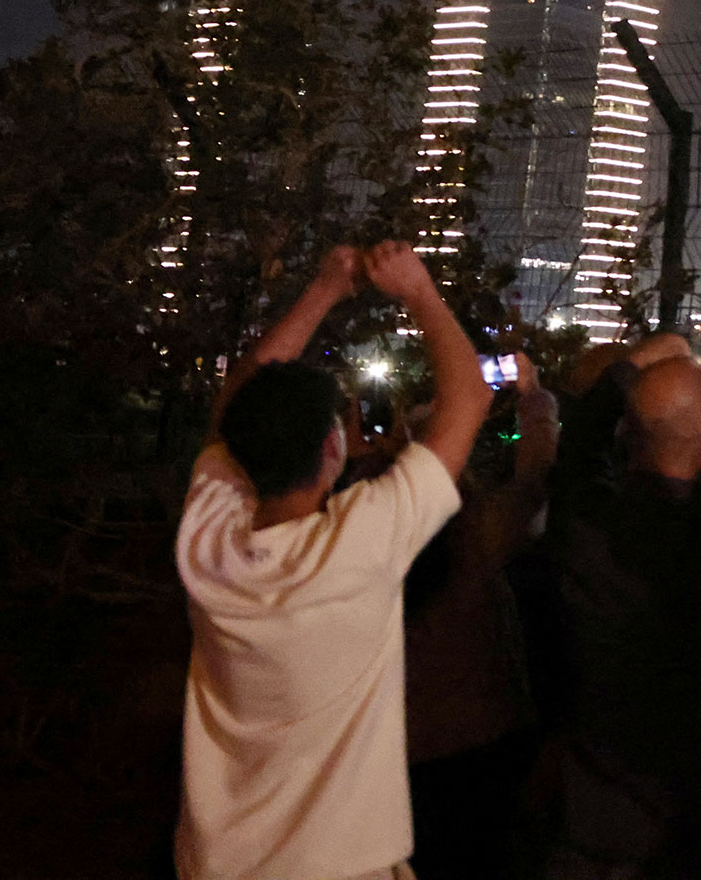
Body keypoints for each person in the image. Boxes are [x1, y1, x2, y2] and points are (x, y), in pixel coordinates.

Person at [175, 241, 493, 880]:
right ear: (332, 448)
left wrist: (323, 290)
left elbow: (234, 404)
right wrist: (419, 290)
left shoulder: (204, 538)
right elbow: (470, 401)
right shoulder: (359, 546)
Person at [543, 333, 701, 878]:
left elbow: (582, 439)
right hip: (693, 827)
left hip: (586, 821)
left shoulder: (584, 524)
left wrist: (638, 364)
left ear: (626, 430)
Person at [405, 352, 559, 880]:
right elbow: (534, 477)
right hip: (483, 739)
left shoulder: (364, 530)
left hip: (401, 746)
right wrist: (535, 400)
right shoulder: (472, 532)